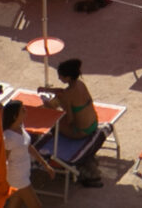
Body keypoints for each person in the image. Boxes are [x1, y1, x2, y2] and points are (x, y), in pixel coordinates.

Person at [38, 57, 103, 188]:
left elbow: (70, 119)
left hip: (81, 132)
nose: (59, 79)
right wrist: (48, 90)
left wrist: (49, 107)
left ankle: (63, 155)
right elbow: (64, 91)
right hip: (94, 124)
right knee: (57, 112)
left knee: (52, 123)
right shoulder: (80, 84)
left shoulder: (68, 95)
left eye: (60, 76)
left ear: (67, 77)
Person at [0, 99, 39, 207]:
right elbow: (3, 160)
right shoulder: (9, 138)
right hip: (17, 177)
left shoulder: (21, 127)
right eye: (22, 109)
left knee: (15, 204)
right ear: (15, 116)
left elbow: (28, 146)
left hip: (23, 174)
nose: (25, 110)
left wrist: (45, 164)